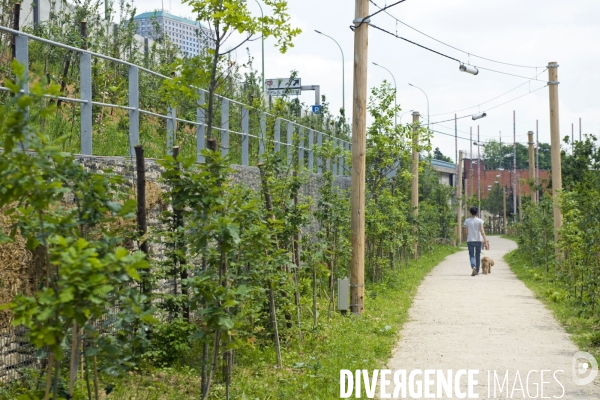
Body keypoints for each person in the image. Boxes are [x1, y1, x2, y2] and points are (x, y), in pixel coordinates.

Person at [463, 206, 487, 276]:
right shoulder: (480, 221)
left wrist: (466, 237)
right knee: (478, 255)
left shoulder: (467, 221)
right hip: (478, 240)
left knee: (471, 255)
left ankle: (473, 266)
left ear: (470, 212)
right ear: (477, 212)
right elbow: (482, 232)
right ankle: (477, 270)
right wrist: (485, 241)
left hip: (470, 240)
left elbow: (466, 232)